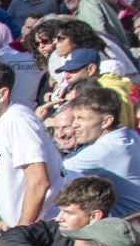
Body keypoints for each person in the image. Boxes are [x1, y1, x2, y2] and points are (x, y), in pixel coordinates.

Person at [0, 63, 61, 227]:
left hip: (44, 224)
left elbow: (39, 181)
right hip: (15, 222)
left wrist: (20, 230)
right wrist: (8, 221)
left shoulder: (18, 121)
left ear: (2, 93)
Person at [60, 85, 140, 213]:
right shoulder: (129, 135)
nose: (74, 125)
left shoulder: (104, 151)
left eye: (81, 118)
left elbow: (53, 175)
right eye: (74, 118)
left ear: (106, 121)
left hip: (125, 227)